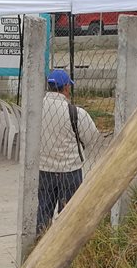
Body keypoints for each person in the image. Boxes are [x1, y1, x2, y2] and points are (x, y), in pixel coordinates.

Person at [37, 68, 106, 232]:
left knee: (43, 212)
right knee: (69, 216)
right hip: (69, 170)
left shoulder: (35, 110)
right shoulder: (76, 112)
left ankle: (39, 243)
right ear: (66, 87)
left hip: (43, 169)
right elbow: (92, 138)